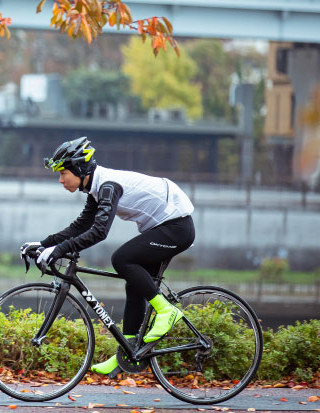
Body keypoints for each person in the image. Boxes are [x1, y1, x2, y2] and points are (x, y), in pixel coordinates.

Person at [21, 136, 195, 376]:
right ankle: (128, 351)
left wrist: (59, 250)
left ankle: (167, 311)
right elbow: (81, 225)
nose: (61, 180)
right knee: (134, 284)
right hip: (163, 228)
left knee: (122, 259)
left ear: (80, 169)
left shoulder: (108, 186)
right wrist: (43, 244)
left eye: (63, 173)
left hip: (177, 228)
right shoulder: (96, 188)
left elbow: (99, 232)